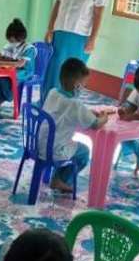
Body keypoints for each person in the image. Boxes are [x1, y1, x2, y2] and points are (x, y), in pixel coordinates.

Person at [42, 0, 108, 100]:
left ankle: (66, 107)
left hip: (79, 37)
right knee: (53, 71)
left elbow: (98, 15)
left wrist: (92, 39)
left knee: (71, 76)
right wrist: (50, 29)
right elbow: (57, 5)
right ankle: (47, 103)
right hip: (59, 33)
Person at [41, 58, 109, 193]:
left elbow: (64, 111)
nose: (84, 88)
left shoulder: (53, 92)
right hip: (55, 150)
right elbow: (95, 124)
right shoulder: (75, 104)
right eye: (84, 84)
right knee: (84, 152)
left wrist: (87, 112)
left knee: (70, 145)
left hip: (39, 145)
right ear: (77, 85)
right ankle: (61, 180)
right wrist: (104, 118)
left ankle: (57, 177)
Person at [0, 18, 37, 115]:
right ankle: (0, 98)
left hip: (25, 71)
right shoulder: (12, 46)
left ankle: (9, 96)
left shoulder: (29, 49)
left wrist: (1, 63)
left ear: (20, 38)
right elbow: (6, 56)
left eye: (12, 40)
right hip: (12, 69)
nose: (10, 42)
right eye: (9, 40)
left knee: (9, 77)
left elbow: (20, 64)